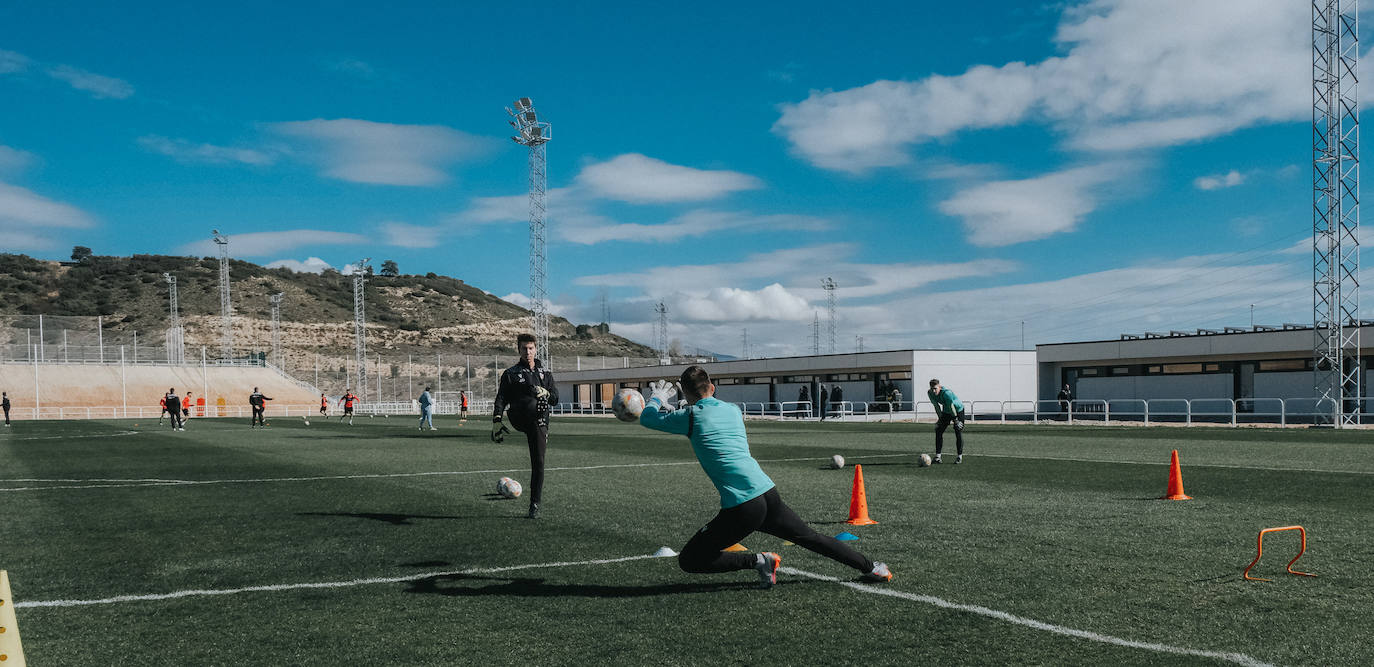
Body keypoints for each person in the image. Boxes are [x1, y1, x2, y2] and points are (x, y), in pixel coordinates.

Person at [638, 366, 892, 588]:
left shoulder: (690, 416)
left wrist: (657, 399)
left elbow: (647, 418)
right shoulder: (732, 410)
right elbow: (708, 419)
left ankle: (760, 560)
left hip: (743, 506)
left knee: (690, 559)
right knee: (811, 538)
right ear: (712, 387)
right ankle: (872, 567)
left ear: (686, 393)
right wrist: (680, 408)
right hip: (766, 492)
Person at [492, 332, 559, 519]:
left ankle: (534, 504)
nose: (528, 352)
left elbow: (555, 399)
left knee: (539, 462)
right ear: (518, 350)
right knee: (528, 402)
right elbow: (501, 397)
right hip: (519, 417)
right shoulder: (511, 374)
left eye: (531, 348)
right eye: (524, 348)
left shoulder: (546, 374)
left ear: (536, 349)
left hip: (539, 421)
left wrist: (546, 392)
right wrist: (497, 419)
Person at [927, 379, 965, 464]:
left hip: (958, 410)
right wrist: (940, 420)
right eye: (932, 388)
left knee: (958, 430)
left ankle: (959, 457)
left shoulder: (947, 393)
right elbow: (936, 407)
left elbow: (951, 406)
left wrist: (956, 420)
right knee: (938, 430)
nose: (934, 391)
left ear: (939, 387)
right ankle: (938, 457)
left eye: (935, 388)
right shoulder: (930, 393)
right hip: (947, 411)